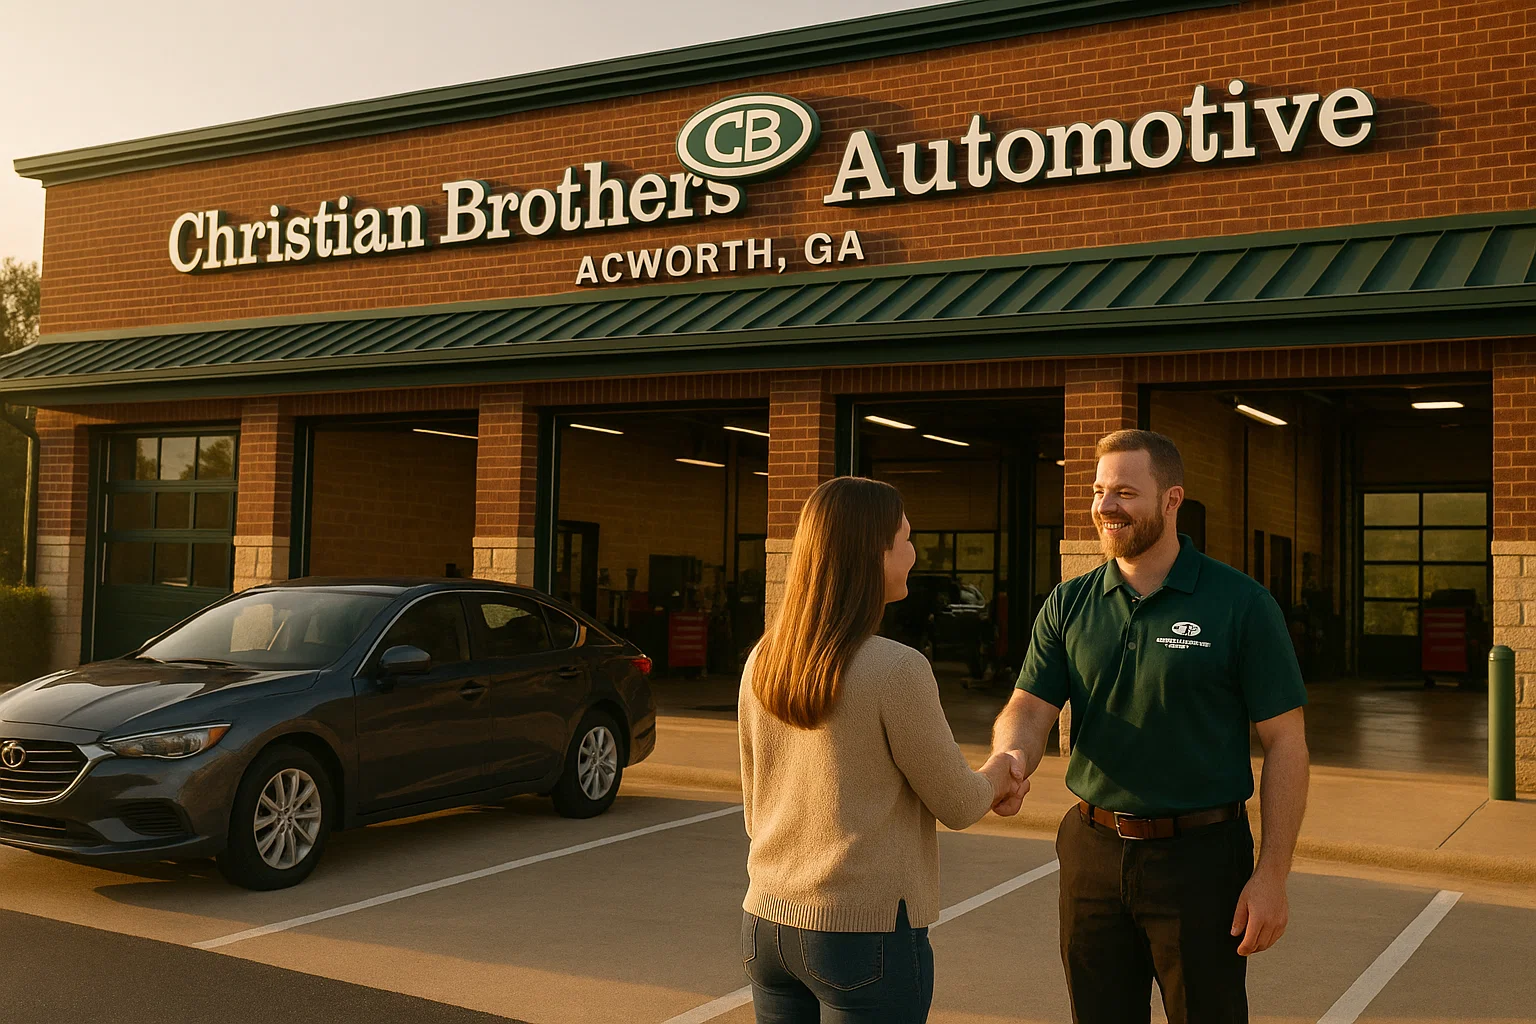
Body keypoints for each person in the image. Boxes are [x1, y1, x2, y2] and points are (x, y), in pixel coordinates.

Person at [992, 429, 1309, 1024]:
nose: (1106, 507)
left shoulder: (1240, 604)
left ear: (1171, 500)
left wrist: (1272, 876)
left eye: (1125, 493)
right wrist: (1009, 759)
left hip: (1202, 861)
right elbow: (1031, 708)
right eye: (1099, 491)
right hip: (1091, 850)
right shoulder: (1069, 603)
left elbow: (1286, 743)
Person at [738, 476, 1028, 1024]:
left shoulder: (763, 660)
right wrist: (1002, 769)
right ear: (873, 552)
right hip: (862, 935)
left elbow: (755, 806)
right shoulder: (897, 669)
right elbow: (960, 803)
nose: (914, 554)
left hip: (767, 924)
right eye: (906, 539)